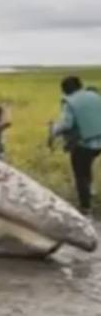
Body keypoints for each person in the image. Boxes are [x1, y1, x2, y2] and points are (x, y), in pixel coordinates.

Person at [49, 76, 101, 214]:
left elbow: (67, 124)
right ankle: (91, 191)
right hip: (98, 143)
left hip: (83, 145)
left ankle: (85, 207)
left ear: (65, 90)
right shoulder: (94, 96)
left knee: (80, 175)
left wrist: (54, 130)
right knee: (87, 166)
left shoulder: (69, 102)